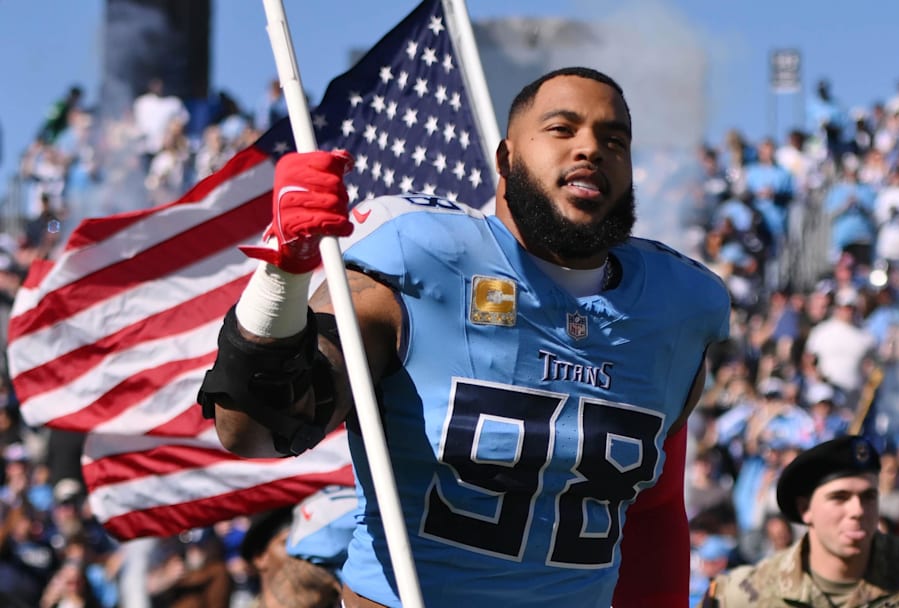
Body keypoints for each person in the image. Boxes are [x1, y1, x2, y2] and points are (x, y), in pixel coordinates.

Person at [197, 66, 731, 608]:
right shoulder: (421, 258)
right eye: (562, 129)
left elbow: (652, 507)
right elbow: (255, 430)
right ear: (505, 161)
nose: (591, 148)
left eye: (614, 139)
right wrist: (282, 277)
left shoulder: (677, 307)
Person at [698, 435, 899, 607]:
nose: (857, 510)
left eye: (868, 496)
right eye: (840, 498)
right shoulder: (742, 597)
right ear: (806, 510)